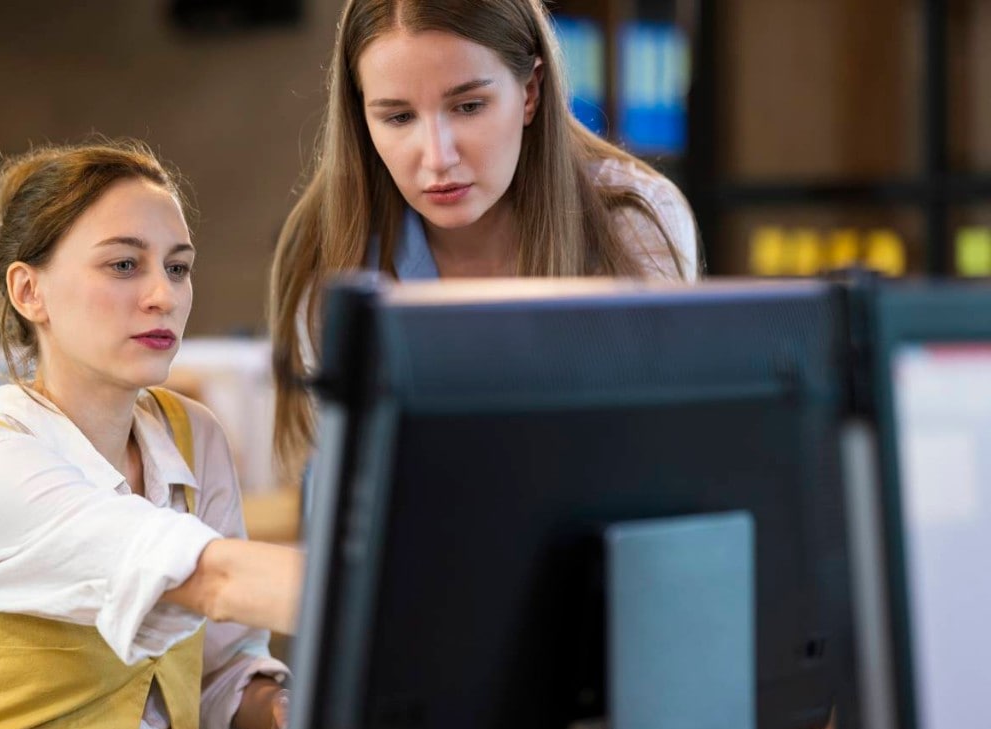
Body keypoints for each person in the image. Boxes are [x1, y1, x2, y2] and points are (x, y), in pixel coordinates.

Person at [0, 139, 302, 729]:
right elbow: (212, 578)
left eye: (178, 268)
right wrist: (407, 598)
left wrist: (283, 708)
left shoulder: (194, 437)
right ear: (30, 291)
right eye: (123, 264)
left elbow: (219, 666)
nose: (161, 296)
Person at [269, 0, 701, 474]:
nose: (437, 158)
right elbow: (347, 482)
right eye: (398, 118)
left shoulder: (632, 218)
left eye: (468, 106)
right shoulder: (328, 246)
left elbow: (655, 457)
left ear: (531, 92)